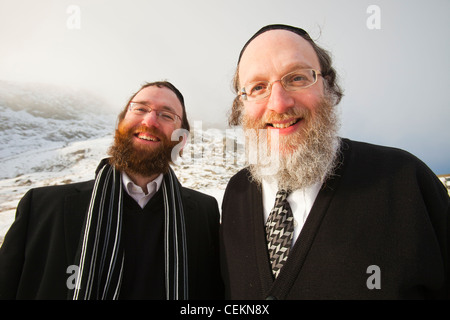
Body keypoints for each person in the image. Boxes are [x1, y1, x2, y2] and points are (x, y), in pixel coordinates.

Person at [220, 24, 449, 299]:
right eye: (258, 87)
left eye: (297, 78)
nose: (279, 104)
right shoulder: (236, 192)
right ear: (241, 105)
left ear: (328, 85)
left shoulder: (405, 180)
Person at [0, 81, 224, 300]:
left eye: (167, 115)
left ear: (181, 141)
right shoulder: (42, 207)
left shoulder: (204, 213)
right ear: (120, 124)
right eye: (140, 109)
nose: (149, 120)